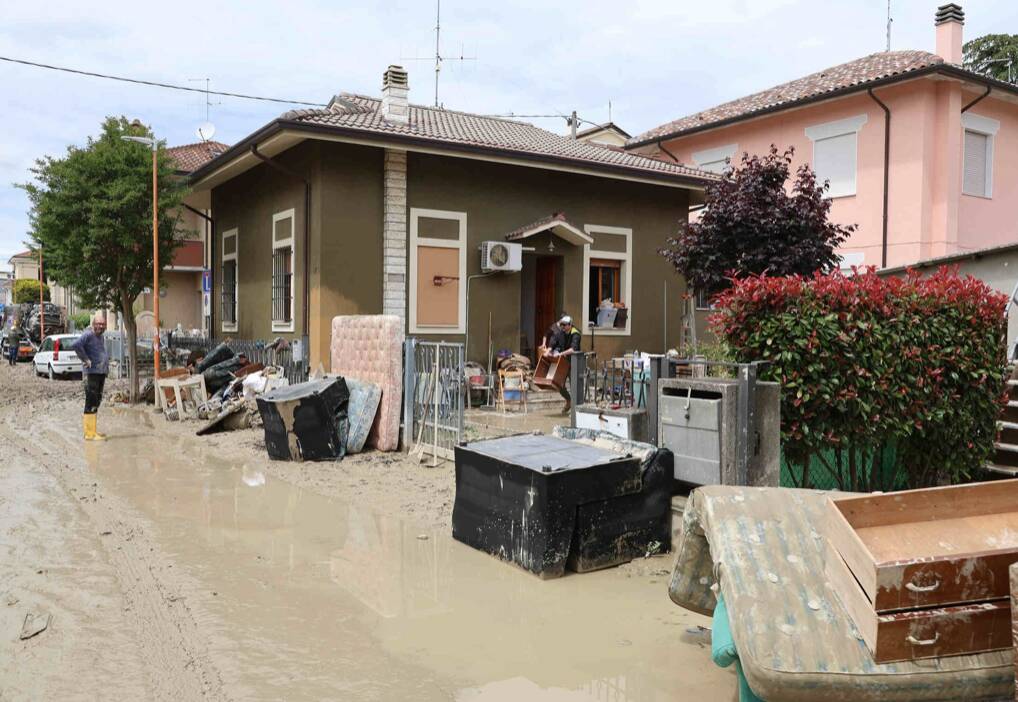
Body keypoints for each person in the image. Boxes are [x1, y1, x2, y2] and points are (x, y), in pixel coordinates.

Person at [71, 313, 110, 441]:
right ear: (93, 324)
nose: (101, 326)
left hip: (100, 372)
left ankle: (93, 431)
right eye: (98, 324)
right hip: (92, 373)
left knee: (97, 400)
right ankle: (89, 433)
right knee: (91, 401)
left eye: (103, 324)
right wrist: (85, 359)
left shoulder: (100, 337)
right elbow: (76, 345)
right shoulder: (88, 334)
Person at [545, 315, 582, 415]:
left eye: (564, 325)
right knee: (559, 384)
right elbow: (554, 339)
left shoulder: (575, 333)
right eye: (561, 325)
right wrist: (549, 350)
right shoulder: (561, 332)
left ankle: (575, 409)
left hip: (574, 362)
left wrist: (560, 354)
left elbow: (573, 349)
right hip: (563, 363)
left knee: (574, 385)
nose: (562, 327)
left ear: (570, 325)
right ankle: (568, 401)